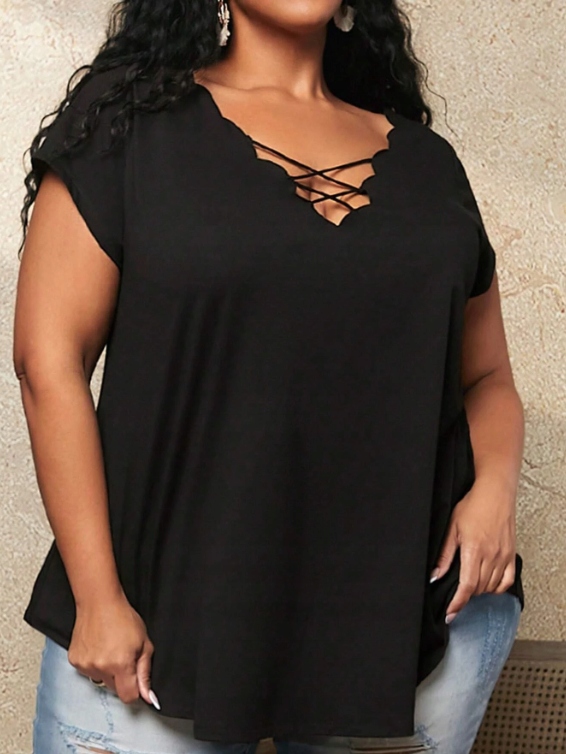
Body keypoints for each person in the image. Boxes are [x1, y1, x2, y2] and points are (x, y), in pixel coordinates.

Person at [13, 1, 525, 753]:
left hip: (405, 637)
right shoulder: (124, 131)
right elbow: (47, 363)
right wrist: (97, 598)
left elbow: (488, 376)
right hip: (158, 631)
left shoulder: (429, 166)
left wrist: (495, 493)